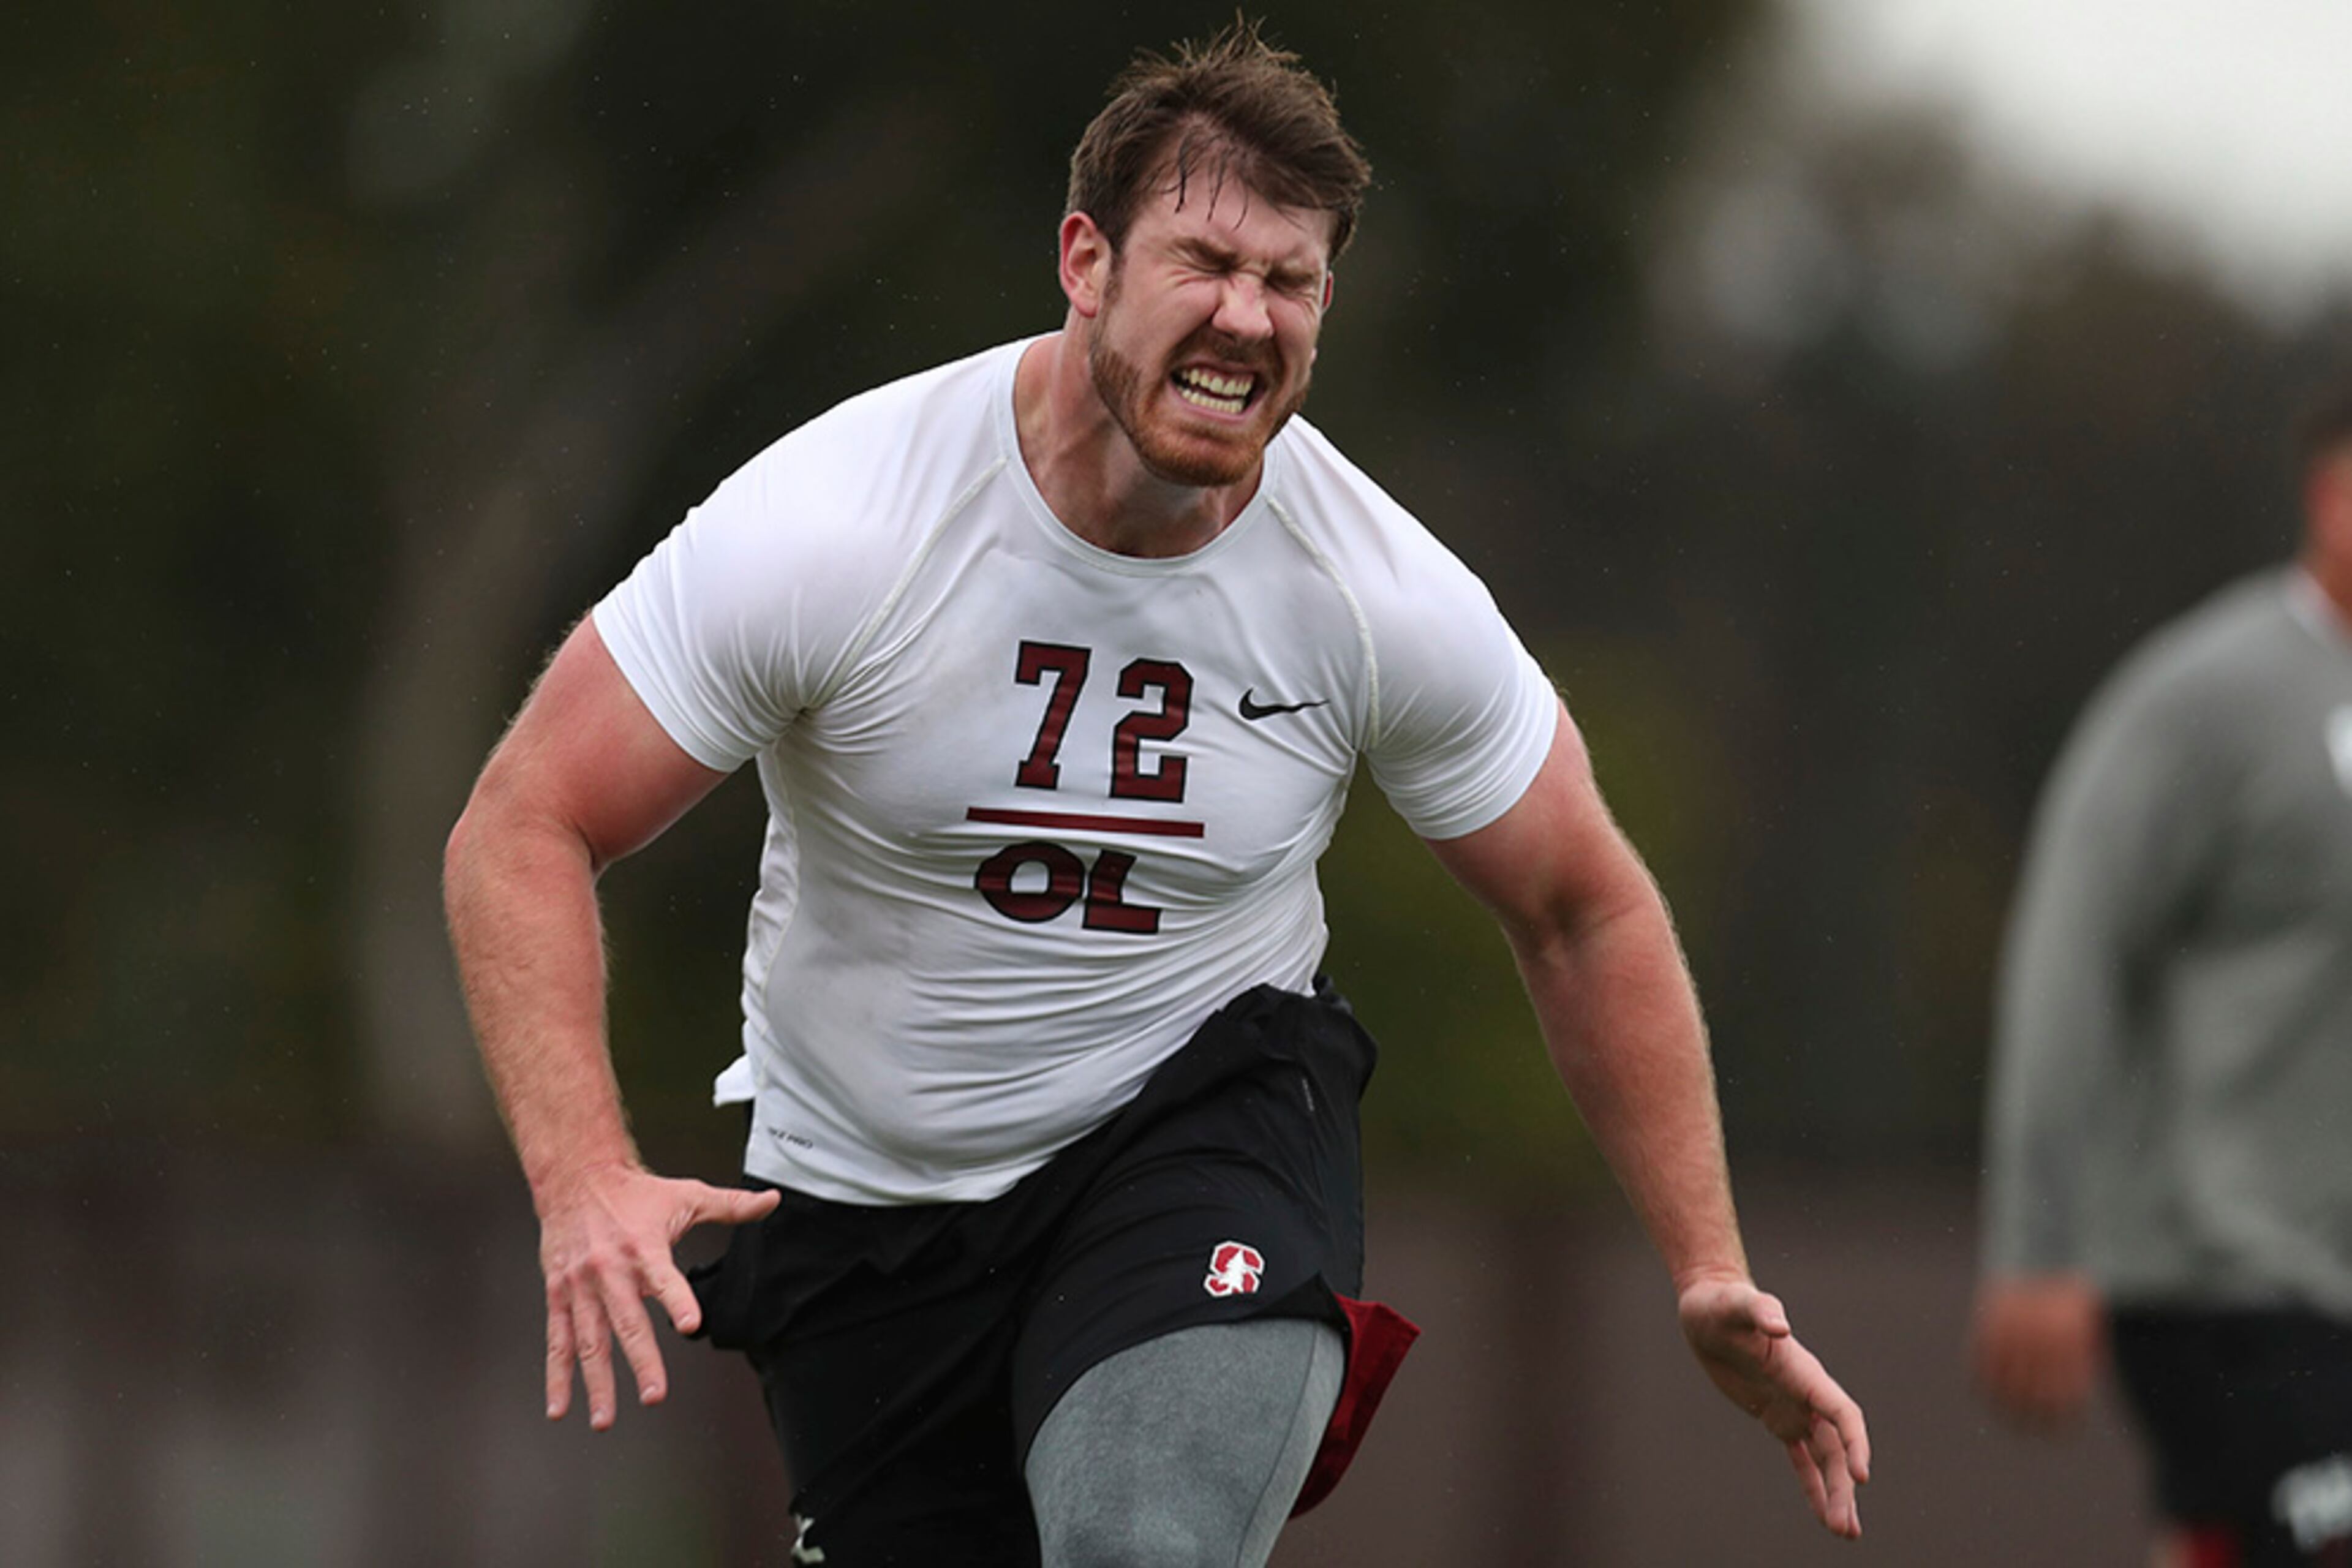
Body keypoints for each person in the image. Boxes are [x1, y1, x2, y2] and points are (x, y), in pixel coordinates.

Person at [445, 21, 1869, 1565]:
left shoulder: (1373, 590)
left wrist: (1706, 1267)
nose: (1246, 317)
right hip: (870, 1207)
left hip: (1198, 1139)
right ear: (1085, 261)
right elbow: (524, 820)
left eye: (1293, 282)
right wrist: (582, 1173)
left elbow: (1582, 903)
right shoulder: (841, 526)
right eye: (1205, 261)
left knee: (1143, 1539)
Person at [1973, 371, 2352, 1567]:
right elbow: (2068, 954)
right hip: (2217, 1266)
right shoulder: (2208, 699)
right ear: (2333, 491)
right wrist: (2038, 1240)